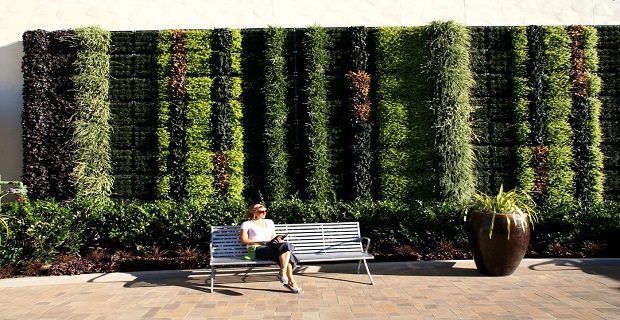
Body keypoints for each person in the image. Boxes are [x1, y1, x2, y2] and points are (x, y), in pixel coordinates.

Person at [240, 203, 303, 293]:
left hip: (271, 245)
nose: (264, 213)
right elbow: (244, 240)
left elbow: (273, 236)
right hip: (256, 248)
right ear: (254, 212)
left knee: (285, 246)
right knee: (286, 253)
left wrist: (277, 240)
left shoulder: (269, 222)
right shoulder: (246, 224)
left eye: (266, 211)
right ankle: (291, 282)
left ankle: (282, 272)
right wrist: (261, 242)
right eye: (262, 211)